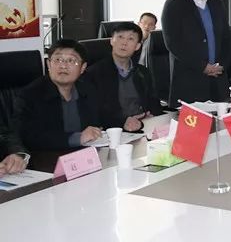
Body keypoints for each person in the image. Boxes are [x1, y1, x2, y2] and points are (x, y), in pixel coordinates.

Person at [15, 40, 104, 171]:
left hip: (84, 161)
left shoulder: (88, 89)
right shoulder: (30, 95)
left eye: (71, 61)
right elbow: (30, 137)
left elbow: (100, 119)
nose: (63, 66)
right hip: (46, 164)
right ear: (48, 64)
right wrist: (77, 138)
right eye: (58, 60)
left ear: (82, 68)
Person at [161, 0, 231, 106]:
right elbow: (173, 43)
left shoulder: (216, 2)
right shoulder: (173, 4)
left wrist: (221, 65)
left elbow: (226, 38)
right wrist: (203, 67)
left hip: (218, 79)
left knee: (223, 119)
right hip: (189, 80)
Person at [85, 22, 161, 130]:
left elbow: (154, 102)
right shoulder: (94, 73)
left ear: (137, 46)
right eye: (120, 37)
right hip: (112, 130)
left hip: (142, 125)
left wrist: (150, 115)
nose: (124, 43)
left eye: (130, 39)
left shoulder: (143, 72)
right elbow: (94, 112)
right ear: (112, 40)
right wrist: (122, 122)